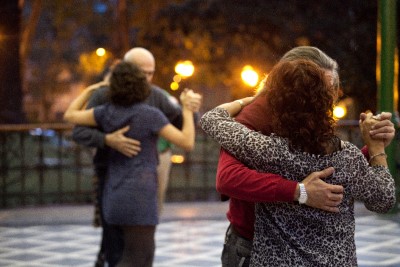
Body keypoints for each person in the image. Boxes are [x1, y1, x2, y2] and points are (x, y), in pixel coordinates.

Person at [200, 59, 396, 266]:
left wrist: (246, 101)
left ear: (275, 103)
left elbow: (212, 119)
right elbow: (383, 200)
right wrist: (376, 148)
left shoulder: (266, 151)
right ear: (327, 102)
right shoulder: (347, 157)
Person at [71, 47, 201, 267]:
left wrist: (191, 110)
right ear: (126, 70)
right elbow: (78, 131)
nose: (146, 78)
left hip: (140, 181)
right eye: (142, 72)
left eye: (150, 73)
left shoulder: (156, 97)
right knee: (121, 244)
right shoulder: (105, 96)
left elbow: (181, 125)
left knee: (136, 247)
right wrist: (107, 140)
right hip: (111, 174)